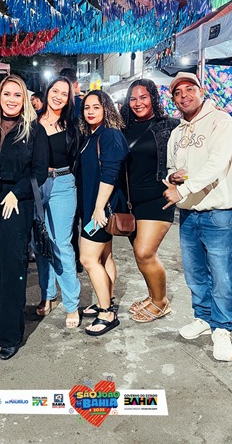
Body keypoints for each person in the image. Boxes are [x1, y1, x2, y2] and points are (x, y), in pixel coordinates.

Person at [163, 72, 232, 362]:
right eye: (178, 93)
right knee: (195, 273)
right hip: (188, 213)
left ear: (201, 91)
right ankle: (204, 317)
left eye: (189, 89)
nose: (184, 96)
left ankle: (222, 327)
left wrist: (184, 189)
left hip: (219, 212)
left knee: (221, 274)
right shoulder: (177, 132)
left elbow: (217, 163)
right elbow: (171, 167)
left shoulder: (222, 121)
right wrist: (174, 177)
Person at [0, 74, 48, 360]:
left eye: (18, 95)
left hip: (17, 199)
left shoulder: (34, 129)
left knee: (12, 262)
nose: (12, 100)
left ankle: (10, 336)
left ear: (25, 99)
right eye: (7, 94)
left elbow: (39, 172)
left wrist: (17, 192)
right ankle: (7, 312)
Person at [116, 79, 179, 323]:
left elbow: (189, 152)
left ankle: (161, 302)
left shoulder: (169, 125)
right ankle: (153, 297)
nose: (138, 103)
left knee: (144, 252)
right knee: (140, 253)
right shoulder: (122, 127)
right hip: (131, 202)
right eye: (133, 98)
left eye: (144, 97)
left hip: (157, 199)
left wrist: (180, 181)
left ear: (153, 97)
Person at [76, 90, 129, 336]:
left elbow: (110, 173)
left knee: (88, 259)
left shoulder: (110, 134)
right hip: (93, 205)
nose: (90, 111)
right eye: (87, 107)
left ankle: (107, 313)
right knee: (105, 256)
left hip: (100, 207)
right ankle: (104, 300)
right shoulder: (93, 134)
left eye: (96, 107)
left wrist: (98, 208)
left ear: (107, 108)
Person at [34, 76, 81, 328]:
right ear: (47, 91)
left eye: (64, 93)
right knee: (40, 242)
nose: (59, 96)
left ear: (69, 99)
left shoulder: (72, 125)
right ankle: (48, 294)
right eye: (55, 91)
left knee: (61, 243)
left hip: (62, 183)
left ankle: (71, 304)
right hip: (36, 184)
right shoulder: (31, 122)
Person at [59, 67, 83, 273]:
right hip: (78, 172)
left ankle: (75, 259)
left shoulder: (78, 108)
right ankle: (78, 259)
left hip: (70, 173)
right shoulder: (82, 106)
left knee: (70, 222)